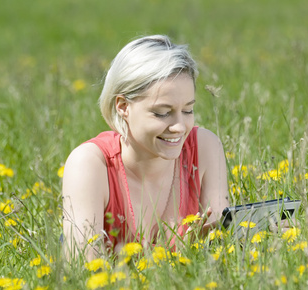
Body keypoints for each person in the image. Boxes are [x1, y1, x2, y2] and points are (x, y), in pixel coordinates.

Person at [62, 35, 229, 260]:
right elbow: (82, 269)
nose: (180, 126)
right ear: (122, 106)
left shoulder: (205, 148)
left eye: (188, 110)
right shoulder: (90, 165)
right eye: (162, 113)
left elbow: (222, 246)